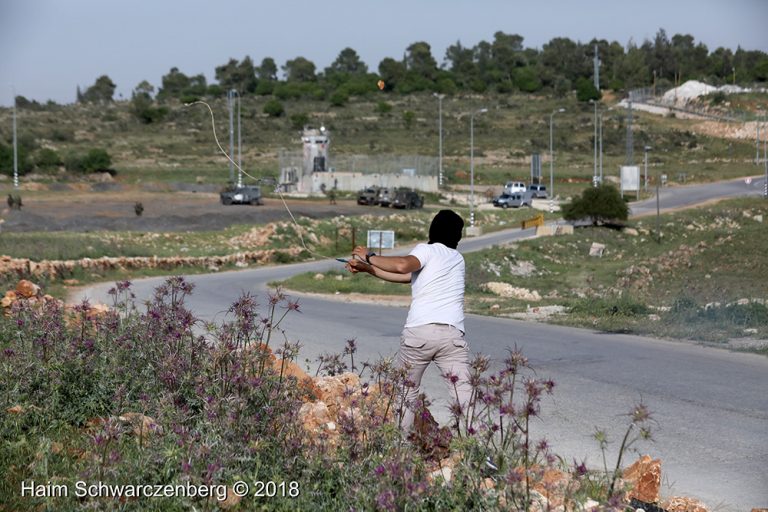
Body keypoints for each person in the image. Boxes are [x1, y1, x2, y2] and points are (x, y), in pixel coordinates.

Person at [346, 209, 472, 431]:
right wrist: (368, 269)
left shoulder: (427, 250)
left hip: (419, 334)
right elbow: (405, 277)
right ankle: (473, 445)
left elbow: (404, 266)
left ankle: (400, 448)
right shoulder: (457, 259)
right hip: (452, 336)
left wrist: (369, 256)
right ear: (457, 236)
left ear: (433, 229)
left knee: (407, 392)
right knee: (464, 393)